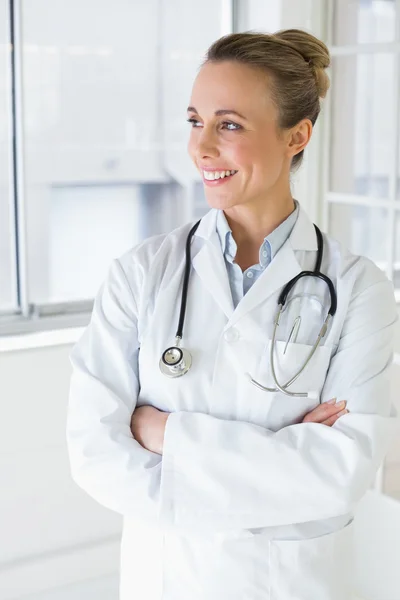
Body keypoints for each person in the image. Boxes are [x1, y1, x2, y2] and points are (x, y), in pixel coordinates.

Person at [66, 29, 398, 600]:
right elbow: (94, 453)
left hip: (292, 584)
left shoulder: (359, 290)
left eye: (230, 125)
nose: (201, 148)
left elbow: (342, 472)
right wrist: (277, 463)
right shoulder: (141, 274)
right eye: (195, 121)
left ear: (297, 136)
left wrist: (166, 433)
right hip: (165, 578)